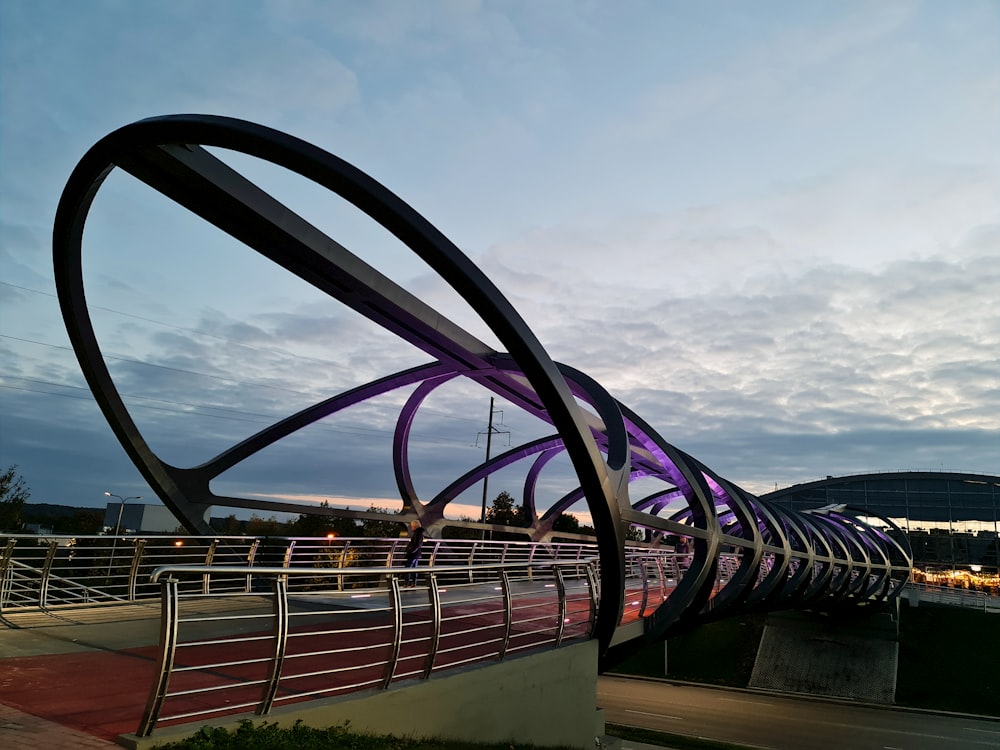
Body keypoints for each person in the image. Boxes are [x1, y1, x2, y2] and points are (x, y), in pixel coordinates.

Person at [403, 520, 424, 587]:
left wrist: (410, 551)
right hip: (417, 554)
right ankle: (414, 583)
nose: (411, 528)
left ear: (414, 526)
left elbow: (416, 545)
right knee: (414, 569)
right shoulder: (420, 533)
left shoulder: (417, 534)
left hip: (413, 554)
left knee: (408, 568)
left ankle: (406, 583)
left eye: (412, 526)